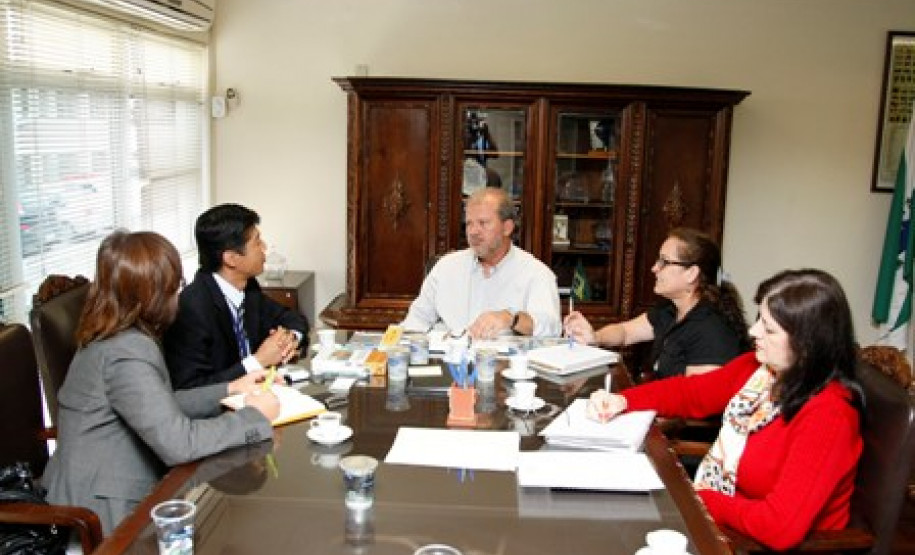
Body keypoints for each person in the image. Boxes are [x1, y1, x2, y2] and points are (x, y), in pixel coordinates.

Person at [588, 269, 863, 550]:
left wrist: (699, 500)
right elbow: (691, 392)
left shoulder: (829, 416)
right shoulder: (760, 369)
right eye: (759, 320)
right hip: (726, 522)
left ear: (808, 344)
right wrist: (624, 400)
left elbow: (779, 528)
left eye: (768, 329)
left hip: (761, 544)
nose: (753, 332)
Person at [43, 231, 281, 535]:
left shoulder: (111, 330)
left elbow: (155, 406)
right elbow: (178, 443)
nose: (178, 296)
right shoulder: (127, 350)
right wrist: (255, 417)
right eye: (174, 287)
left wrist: (230, 388)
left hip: (103, 487)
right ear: (154, 293)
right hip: (102, 511)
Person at [564, 227, 749, 378]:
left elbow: (696, 401)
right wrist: (595, 337)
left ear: (691, 273)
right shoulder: (669, 310)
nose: (654, 268)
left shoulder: (712, 330)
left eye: (664, 262)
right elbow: (625, 332)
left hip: (677, 421)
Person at [164, 203, 309, 390]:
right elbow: (192, 390)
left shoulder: (248, 287)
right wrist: (257, 361)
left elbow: (291, 317)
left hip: (261, 394)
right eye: (257, 242)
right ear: (231, 258)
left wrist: (290, 338)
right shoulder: (191, 308)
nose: (264, 247)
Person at [401, 187, 561, 339]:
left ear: (507, 228)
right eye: (469, 223)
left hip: (506, 364)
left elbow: (551, 328)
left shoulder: (536, 273)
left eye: (483, 223)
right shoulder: (446, 267)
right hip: (450, 360)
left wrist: (511, 318)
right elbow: (416, 322)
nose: (473, 231)